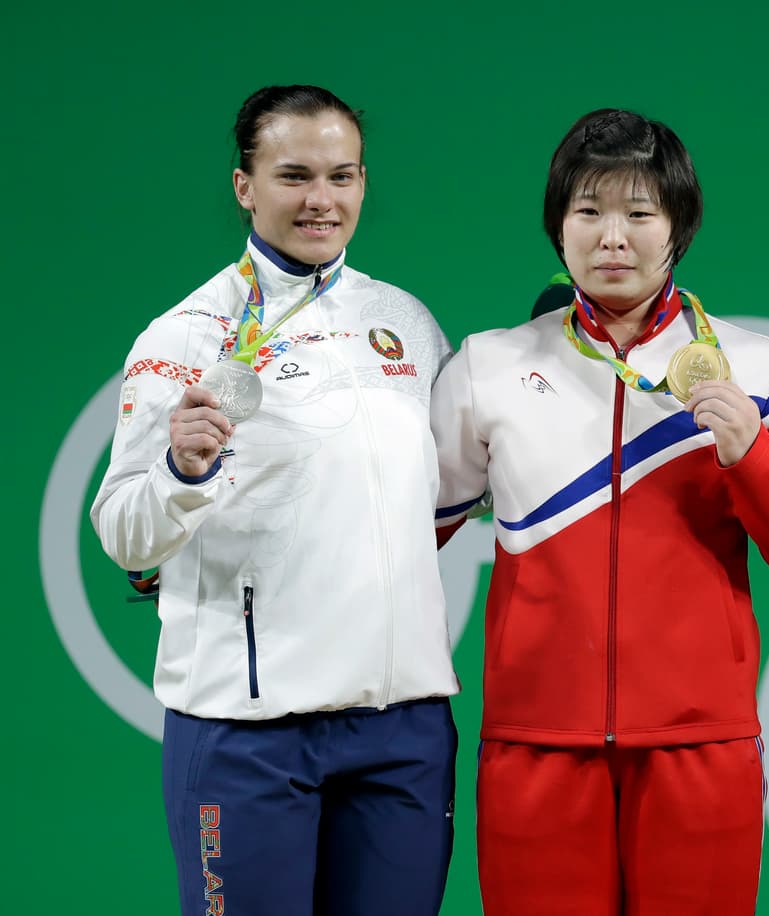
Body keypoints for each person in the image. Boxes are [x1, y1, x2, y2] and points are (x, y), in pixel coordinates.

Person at [431, 108, 769, 914]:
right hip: (536, 749)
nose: (612, 237)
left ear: (679, 228)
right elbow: (401, 540)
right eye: (589, 211)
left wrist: (750, 454)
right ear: (558, 227)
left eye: (639, 213)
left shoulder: (757, 370)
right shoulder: (489, 367)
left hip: (702, 752)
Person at [91, 85, 459, 916]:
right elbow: (124, 533)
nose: (321, 200)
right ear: (243, 186)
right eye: (294, 175)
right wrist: (183, 474)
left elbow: (436, 503)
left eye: (343, 175)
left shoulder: (402, 320)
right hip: (248, 731)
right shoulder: (188, 334)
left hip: (403, 726)